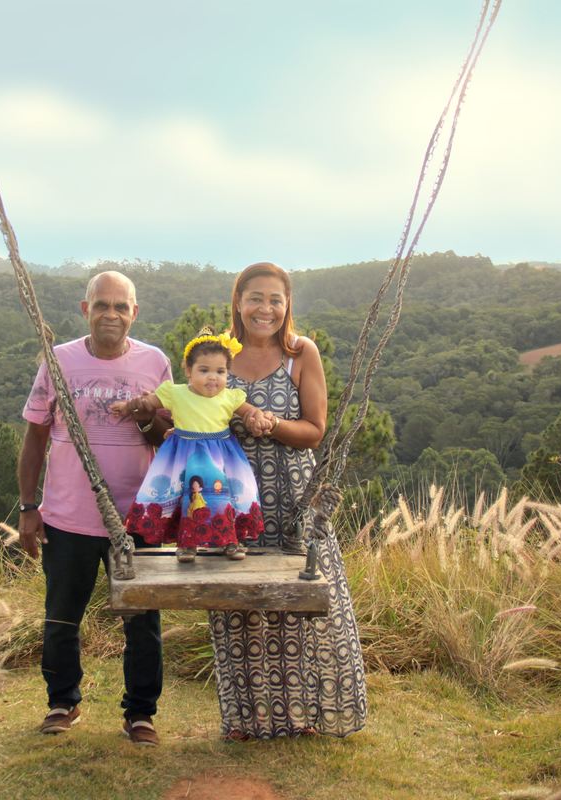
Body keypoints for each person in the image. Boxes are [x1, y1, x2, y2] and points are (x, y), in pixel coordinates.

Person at [208, 261, 368, 740]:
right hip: (231, 498)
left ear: (287, 305)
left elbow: (315, 431)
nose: (266, 308)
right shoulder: (216, 354)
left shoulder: (302, 354)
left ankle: (305, 718)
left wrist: (269, 424)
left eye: (276, 299)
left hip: (291, 498)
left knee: (302, 604)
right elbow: (195, 417)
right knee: (237, 604)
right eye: (256, 297)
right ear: (238, 301)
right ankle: (245, 719)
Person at [18, 270, 171, 747]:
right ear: (85, 310)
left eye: (121, 306)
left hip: (136, 517)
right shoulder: (59, 360)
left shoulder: (155, 362)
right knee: (63, 616)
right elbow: (36, 435)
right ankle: (63, 701)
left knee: (143, 620)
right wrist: (28, 506)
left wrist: (148, 418)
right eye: (102, 305)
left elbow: (166, 439)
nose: (111, 314)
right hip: (68, 516)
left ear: (134, 312)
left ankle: (141, 713)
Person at [112, 328, 267, 562]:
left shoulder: (230, 396)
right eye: (204, 370)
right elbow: (148, 403)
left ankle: (230, 541)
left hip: (221, 458)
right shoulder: (176, 393)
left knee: (223, 497)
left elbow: (250, 412)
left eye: (220, 371)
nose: (213, 377)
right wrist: (127, 406)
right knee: (187, 500)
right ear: (188, 370)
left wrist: (259, 416)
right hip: (183, 456)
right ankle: (186, 543)